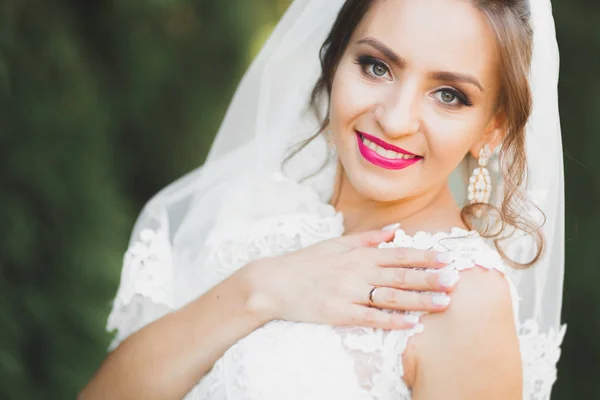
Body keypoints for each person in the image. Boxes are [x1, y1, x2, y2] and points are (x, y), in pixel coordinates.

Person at [81, 0, 566, 399]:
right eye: (376, 66)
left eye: (448, 95)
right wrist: (260, 289)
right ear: (334, 62)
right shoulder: (253, 205)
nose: (396, 119)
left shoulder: (457, 296)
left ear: (492, 128)